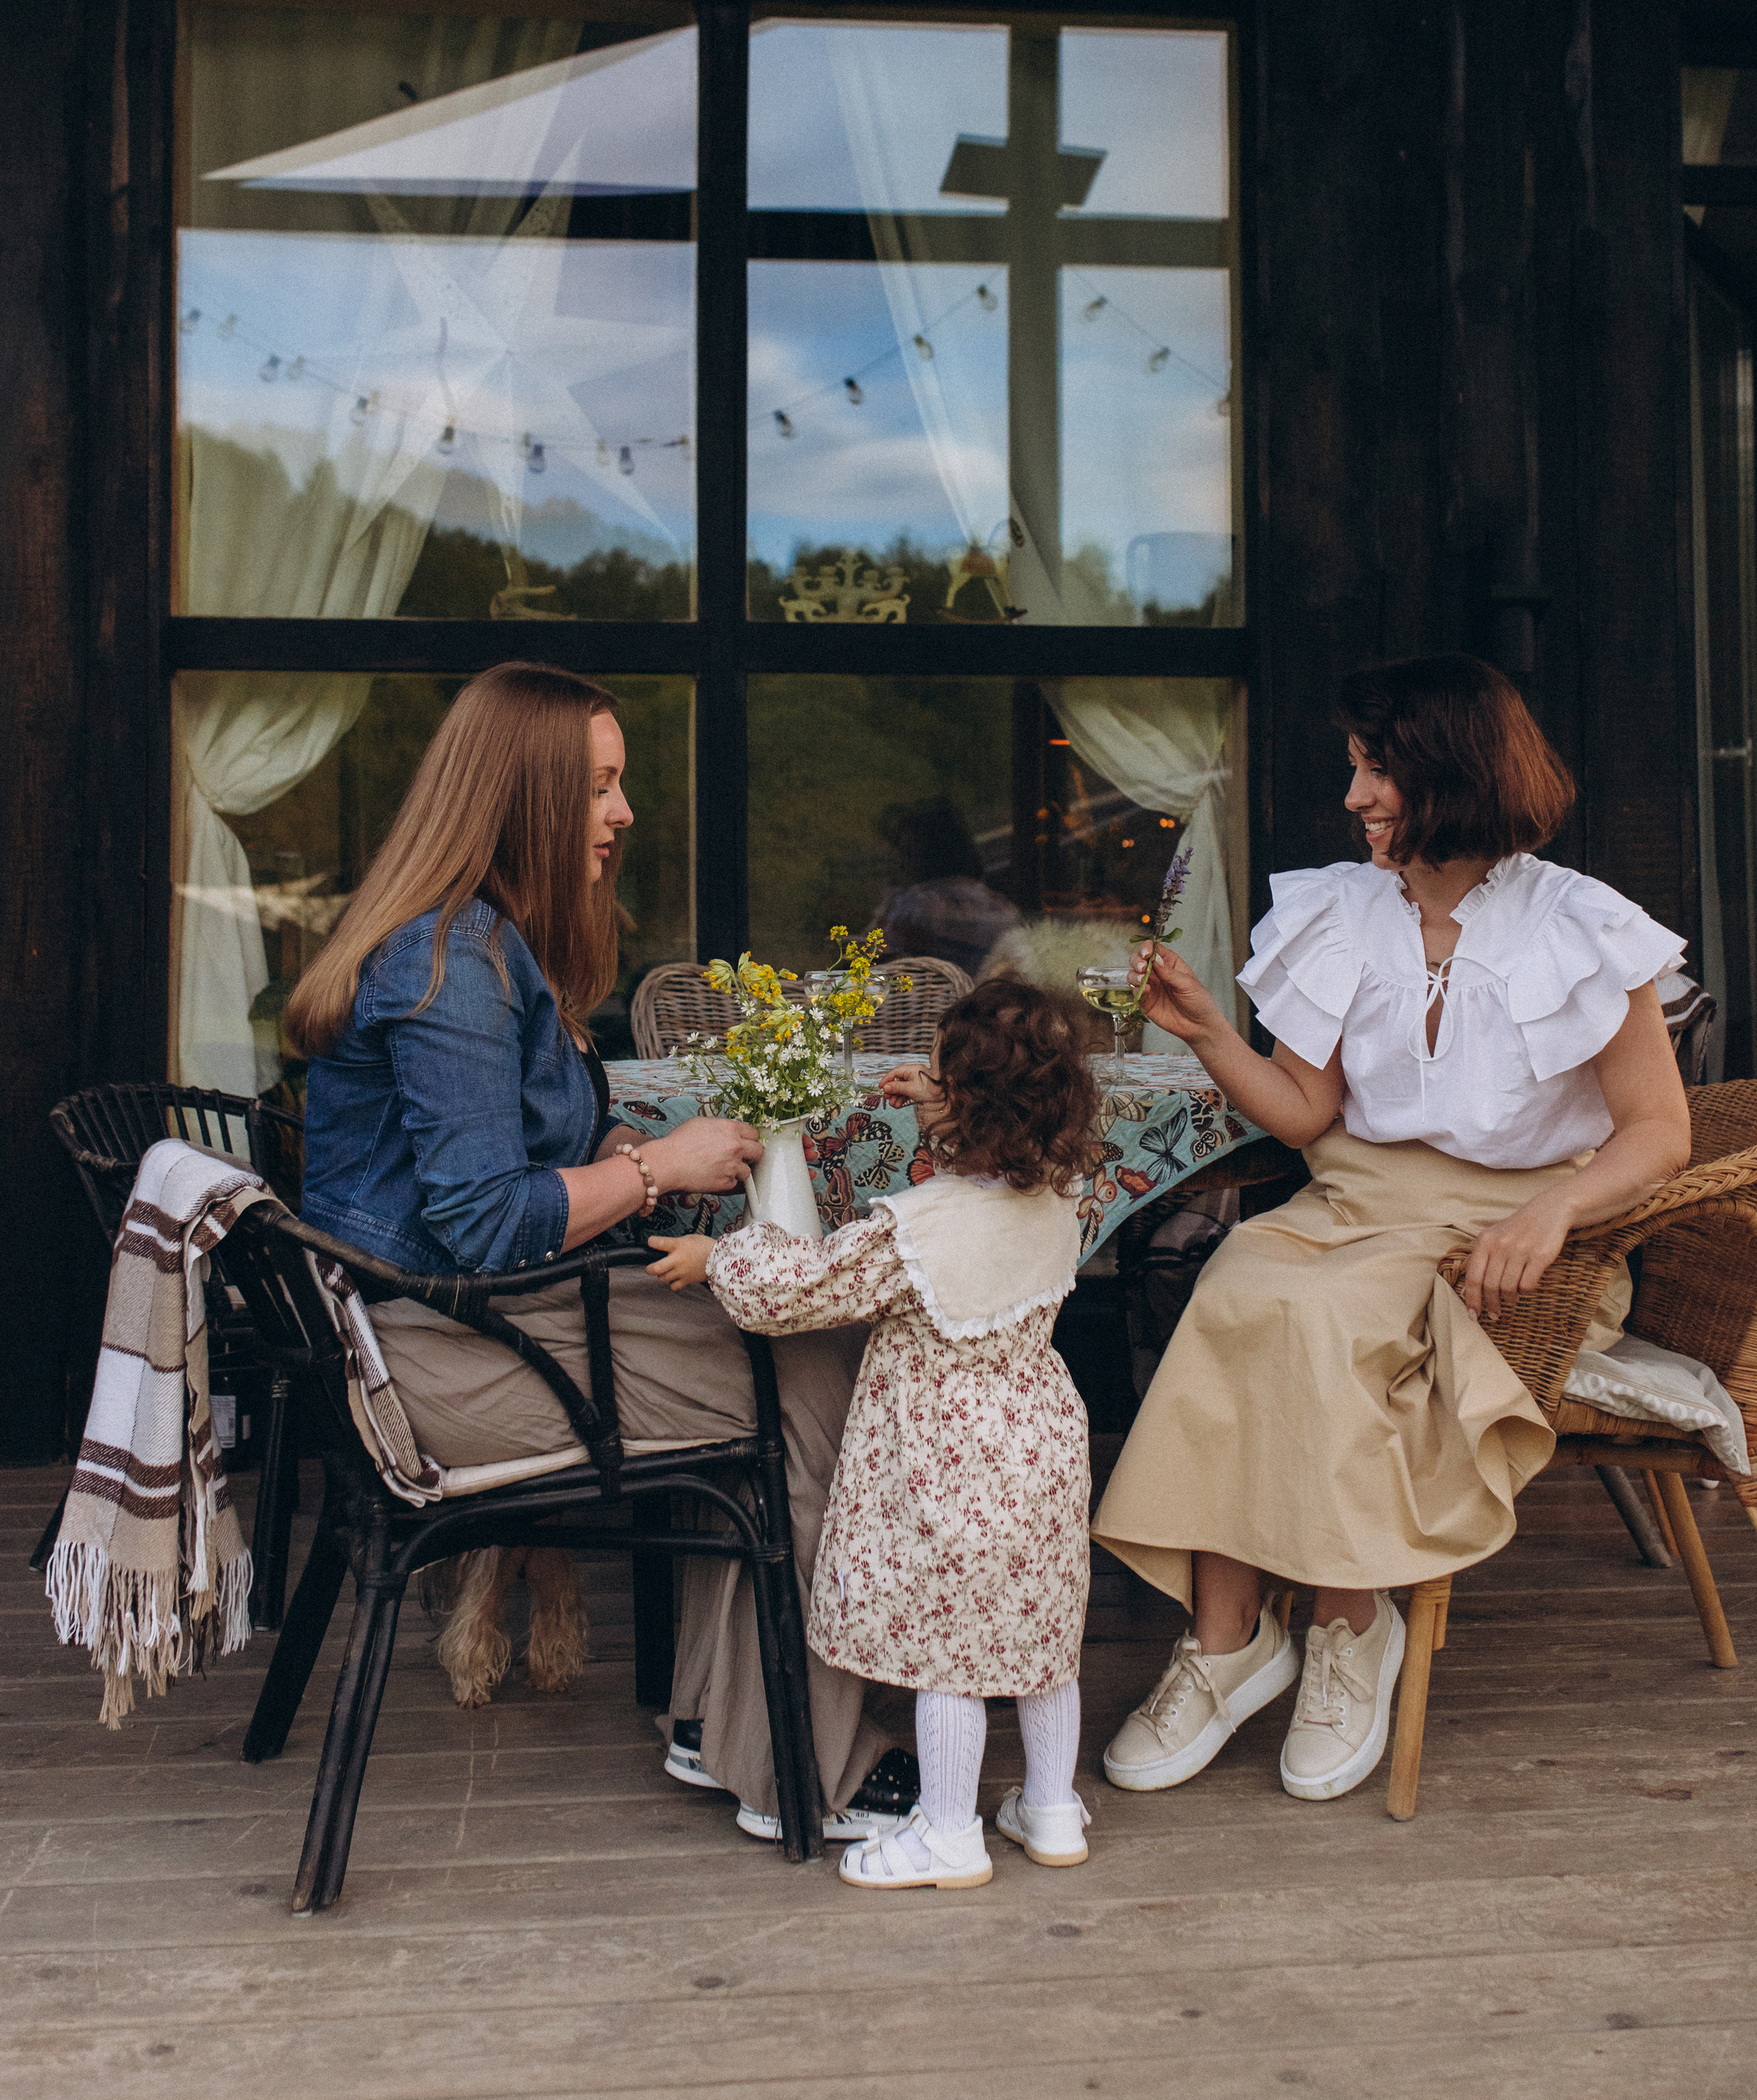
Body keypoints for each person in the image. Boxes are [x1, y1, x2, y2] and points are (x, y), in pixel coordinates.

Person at [288, 660, 912, 1843]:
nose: (623, 813)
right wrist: (656, 1171)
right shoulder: (451, 967)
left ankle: (721, 1721)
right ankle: (803, 1763)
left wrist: (616, 1145)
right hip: (443, 1361)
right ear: (520, 798)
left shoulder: (472, 943)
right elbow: (479, 1224)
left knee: (792, 1330)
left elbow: (498, 1163)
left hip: (452, 1324)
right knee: (819, 1364)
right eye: (600, 787)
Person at [1093, 654, 1692, 1804]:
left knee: (1310, 1316)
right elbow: (1307, 1113)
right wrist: (1214, 1033)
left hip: (1507, 1230)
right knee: (1233, 1288)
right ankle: (1226, 1647)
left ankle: (1348, 1624)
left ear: (1452, 774)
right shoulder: (1340, 910)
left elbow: (1659, 1132)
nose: (1357, 797)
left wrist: (1552, 1210)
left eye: (1378, 772)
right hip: (1351, 1202)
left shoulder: (1582, 926)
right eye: (1358, 770)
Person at [648, 976, 1099, 1889]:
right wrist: (950, 1100)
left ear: (965, 1101)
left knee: (947, 1656)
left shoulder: (917, 1229)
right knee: (1039, 1641)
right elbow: (1001, 1150)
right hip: (1042, 1447)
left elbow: (797, 1291)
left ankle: (947, 1834)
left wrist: (720, 1253)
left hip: (948, 1464)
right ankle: (1052, 1813)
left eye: (942, 1073)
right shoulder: (1065, 1193)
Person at [868, 796, 1023, 980]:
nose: (899, 861)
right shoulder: (998, 904)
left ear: (925, 854)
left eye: (906, 851)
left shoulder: (916, 905)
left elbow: (871, 962)